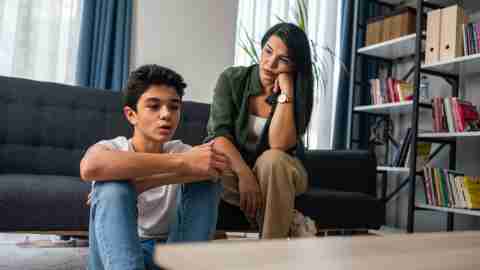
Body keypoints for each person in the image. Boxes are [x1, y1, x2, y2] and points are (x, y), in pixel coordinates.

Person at [80, 64, 229, 270]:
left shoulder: (182, 150)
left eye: (174, 107)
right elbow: (90, 167)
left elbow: (214, 170)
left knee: (206, 181)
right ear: (131, 114)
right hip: (116, 256)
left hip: (169, 255)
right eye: (154, 106)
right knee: (112, 188)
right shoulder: (113, 148)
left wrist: (143, 183)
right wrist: (182, 164)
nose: (166, 114)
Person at [205, 22, 314, 239]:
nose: (270, 64)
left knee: (272, 160)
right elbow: (219, 135)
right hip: (235, 171)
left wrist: (287, 93)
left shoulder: (298, 91)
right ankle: (288, 217)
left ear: (294, 65)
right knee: (208, 164)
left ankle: (270, 256)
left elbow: (279, 145)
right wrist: (245, 175)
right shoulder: (232, 79)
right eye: (268, 51)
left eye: (283, 60)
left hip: (282, 171)